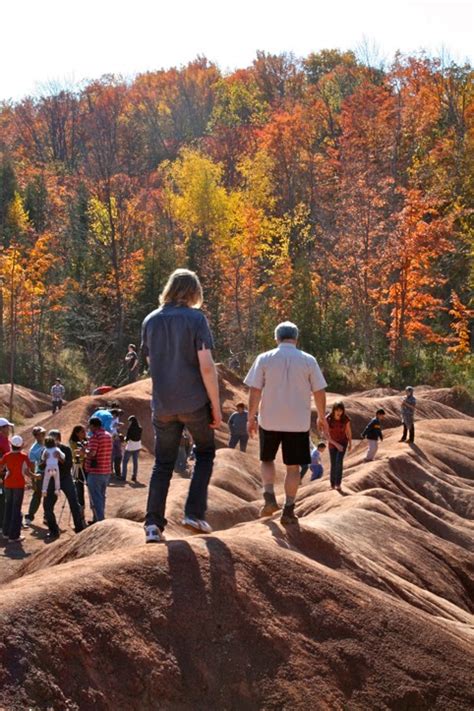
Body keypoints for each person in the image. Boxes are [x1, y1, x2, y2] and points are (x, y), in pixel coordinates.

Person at [142, 268, 222, 543]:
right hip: (193, 401)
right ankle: (194, 512)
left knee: (162, 464)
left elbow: (151, 364)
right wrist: (216, 404)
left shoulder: (150, 320)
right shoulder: (196, 319)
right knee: (205, 452)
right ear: (193, 291)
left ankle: (153, 525)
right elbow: (207, 367)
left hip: (163, 404)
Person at [245, 321, 328, 525]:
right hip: (297, 423)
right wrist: (322, 416)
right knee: (293, 468)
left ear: (276, 338)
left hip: (269, 420)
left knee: (267, 460)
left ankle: (269, 497)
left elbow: (255, 390)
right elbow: (319, 390)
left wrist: (251, 417)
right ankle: (288, 509)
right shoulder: (309, 360)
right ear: (296, 338)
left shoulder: (264, 358)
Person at [43, 429, 86, 539]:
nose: (53, 441)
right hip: (52, 479)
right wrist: (45, 461)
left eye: (55, 438)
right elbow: (41, 466)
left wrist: (60, 459)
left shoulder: (65, 449)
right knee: (47, 506)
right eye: (51, 438)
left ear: (59, 439)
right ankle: (53, 531)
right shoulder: (46, 450)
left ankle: (79, 528)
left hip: (65, 479)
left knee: (74, 503)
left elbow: (68, 466)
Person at [0, 435, 34, 543]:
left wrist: (5, 473)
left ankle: (5, 532)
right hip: (18, 485)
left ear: (11, 445)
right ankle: (14, 536)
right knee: (16, 509)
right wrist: (36, 476)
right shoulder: (24, 456)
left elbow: (1, 468)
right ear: (21, 445)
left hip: (8, 484)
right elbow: (28, 472)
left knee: (8, 507)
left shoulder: (6, 456)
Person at [85, 416, 113, 522]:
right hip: (106, 470)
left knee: (95, 497)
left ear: (93, 425)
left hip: (95, 471)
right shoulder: (108, 435)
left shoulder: (95, 437)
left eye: (90, 426)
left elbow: (92, 453)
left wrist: (84, 451)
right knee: (101, 496)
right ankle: (97, 518)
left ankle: (100, 520)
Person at [326, 402, 352, 492]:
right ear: (333, 410)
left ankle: (338, 484)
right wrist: (335, 444)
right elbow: (325, 434)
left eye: (341, 410)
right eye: (337, 410)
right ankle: (332, 484)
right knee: (333, 463)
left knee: (339, 462)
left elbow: (348, 431)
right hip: (332, 443)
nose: (339, 412)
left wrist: (350, 443)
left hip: (343, 442)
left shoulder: (345, 419)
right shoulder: (328, 419)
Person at [25, 426, 46, 526]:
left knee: (50, 496)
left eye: (43, 433)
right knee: (37, 495)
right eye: (40, 434)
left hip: (51, 473)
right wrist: (33, 482)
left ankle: (47, 516)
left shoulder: (48, 443)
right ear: (36, 436)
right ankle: (29, 516)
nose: (42, 435)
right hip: (41, 474)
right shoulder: (33, 450)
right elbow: (32, 467)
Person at [69, 425, 88, 513]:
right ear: (77, 433)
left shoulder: (86, 441)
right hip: (78, 466)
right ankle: (81, 510)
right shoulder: (73, 443)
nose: (85, 433)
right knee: (79, 488)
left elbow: (85, 453)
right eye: (82, 432)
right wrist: (84, 452)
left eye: (85, 431)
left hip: (86, 466)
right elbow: (77, 454)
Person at [0, 417, 13, 533]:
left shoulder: (5, 439)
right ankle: (3, 525)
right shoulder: (1, 440)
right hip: (2, 474)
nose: (9, 429)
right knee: (3, 498)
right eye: (7, 427)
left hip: (4, 473)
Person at [122, 415, 142, 482]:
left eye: (129, 421)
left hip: (130, 447)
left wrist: (124, 438)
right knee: (135, 462)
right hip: (138, 446)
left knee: (125, 462)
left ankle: (123, 477)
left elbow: (127, 439)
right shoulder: (140, 428)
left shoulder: (130, 429)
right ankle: (134, 476)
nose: (129, 423)